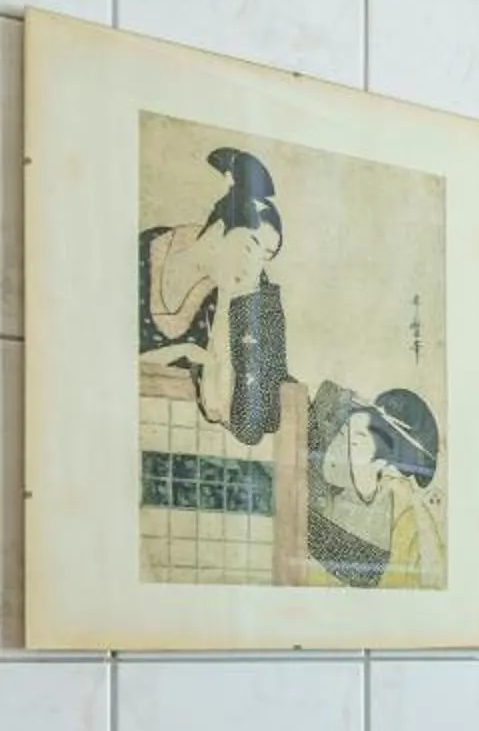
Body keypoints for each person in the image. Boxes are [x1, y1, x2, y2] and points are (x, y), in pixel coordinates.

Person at [138, 145, 289, 444]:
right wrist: (180, 352)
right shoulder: (145, 251)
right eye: (250, 246)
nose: (253, 268)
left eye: (265, 257)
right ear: (219, 228)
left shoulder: (233, 292)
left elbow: (229, 412)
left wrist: (226, 309)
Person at [305, 383, 445, 591]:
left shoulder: (406, 521)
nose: (341, 449)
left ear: (385, 464)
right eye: (343, 435)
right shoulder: (332, 497)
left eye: (355, 443)